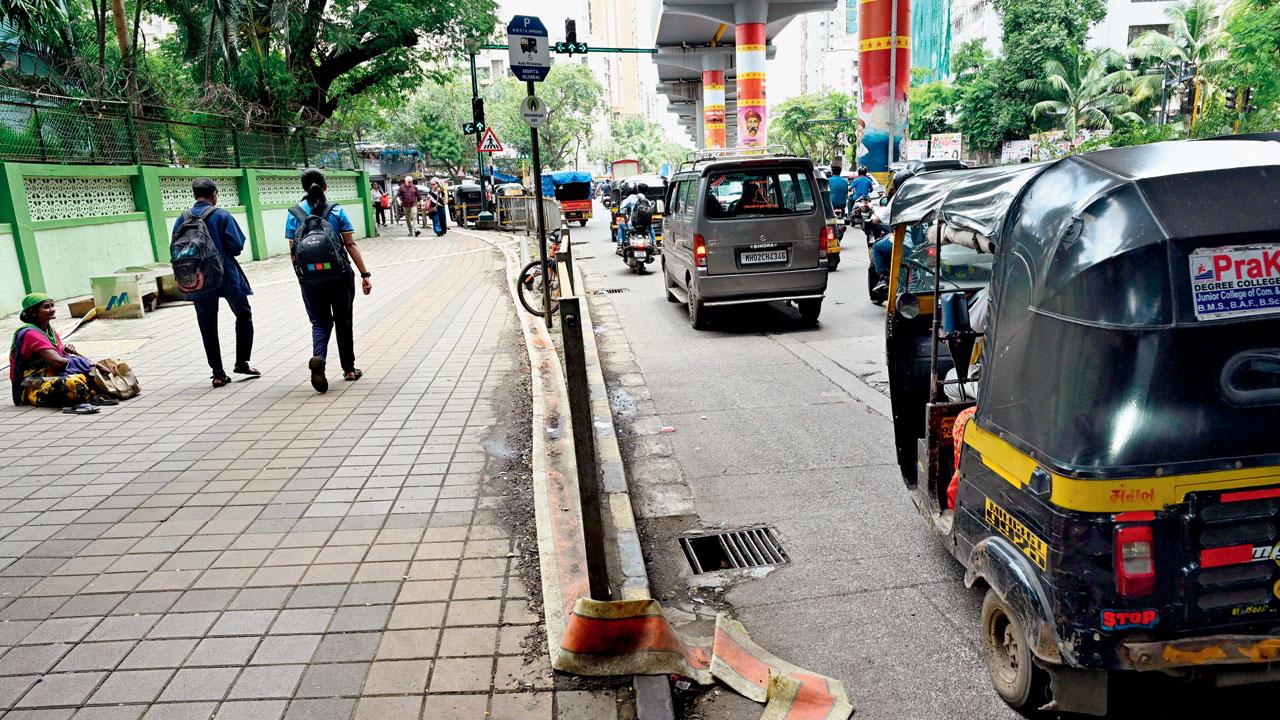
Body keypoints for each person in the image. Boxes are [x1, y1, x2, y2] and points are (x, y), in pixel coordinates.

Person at [285, 168, 374, 393]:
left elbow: (294, 251)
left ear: (304, 188)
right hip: (340, 276)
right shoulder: (336, 211)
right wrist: (365, 274)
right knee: (343, 320)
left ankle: (319, 358)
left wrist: (303, 279)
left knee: (320, 322)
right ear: (325, 186)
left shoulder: (294, 214)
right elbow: (350, 244)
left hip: (310, 279)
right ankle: (349, 369)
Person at [175, 178, 258, 388]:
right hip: (226, 275)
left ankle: (218, 373)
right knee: (243, 313)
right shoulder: (222, 215)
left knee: (207, 324)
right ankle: (242, 362)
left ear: (195, 195)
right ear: (214, 194)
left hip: (197, 278)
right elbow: (237, 245)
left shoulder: (181, 218)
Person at [9, 293, 115, 413]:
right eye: (46, 307)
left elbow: (62, 357)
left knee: (91, 375)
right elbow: (57, 361)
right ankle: (77, 402)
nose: (52, 309)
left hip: (54, 375)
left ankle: (86, 397)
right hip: (35, 385)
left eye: (52, 306)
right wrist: (88, 363)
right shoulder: (31, 333)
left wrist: (74, 354)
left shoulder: (49, 330)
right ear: (33, 312)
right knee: (71, 382)